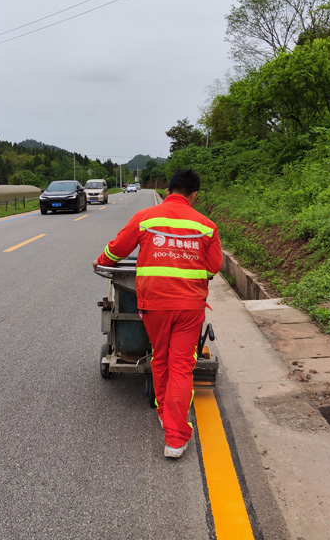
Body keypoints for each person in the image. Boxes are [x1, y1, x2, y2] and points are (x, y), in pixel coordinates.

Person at [93, 168, 222, 458]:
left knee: (160, 358)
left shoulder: (145, 218)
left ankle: (164, 410)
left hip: (153, 305)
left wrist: (99, 261)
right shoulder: (206, 226)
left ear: (167, 191)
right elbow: (214, 267)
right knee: (181, 366)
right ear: (194, 195)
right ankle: (175, 439)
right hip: (189, 308)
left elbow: (116, 250)